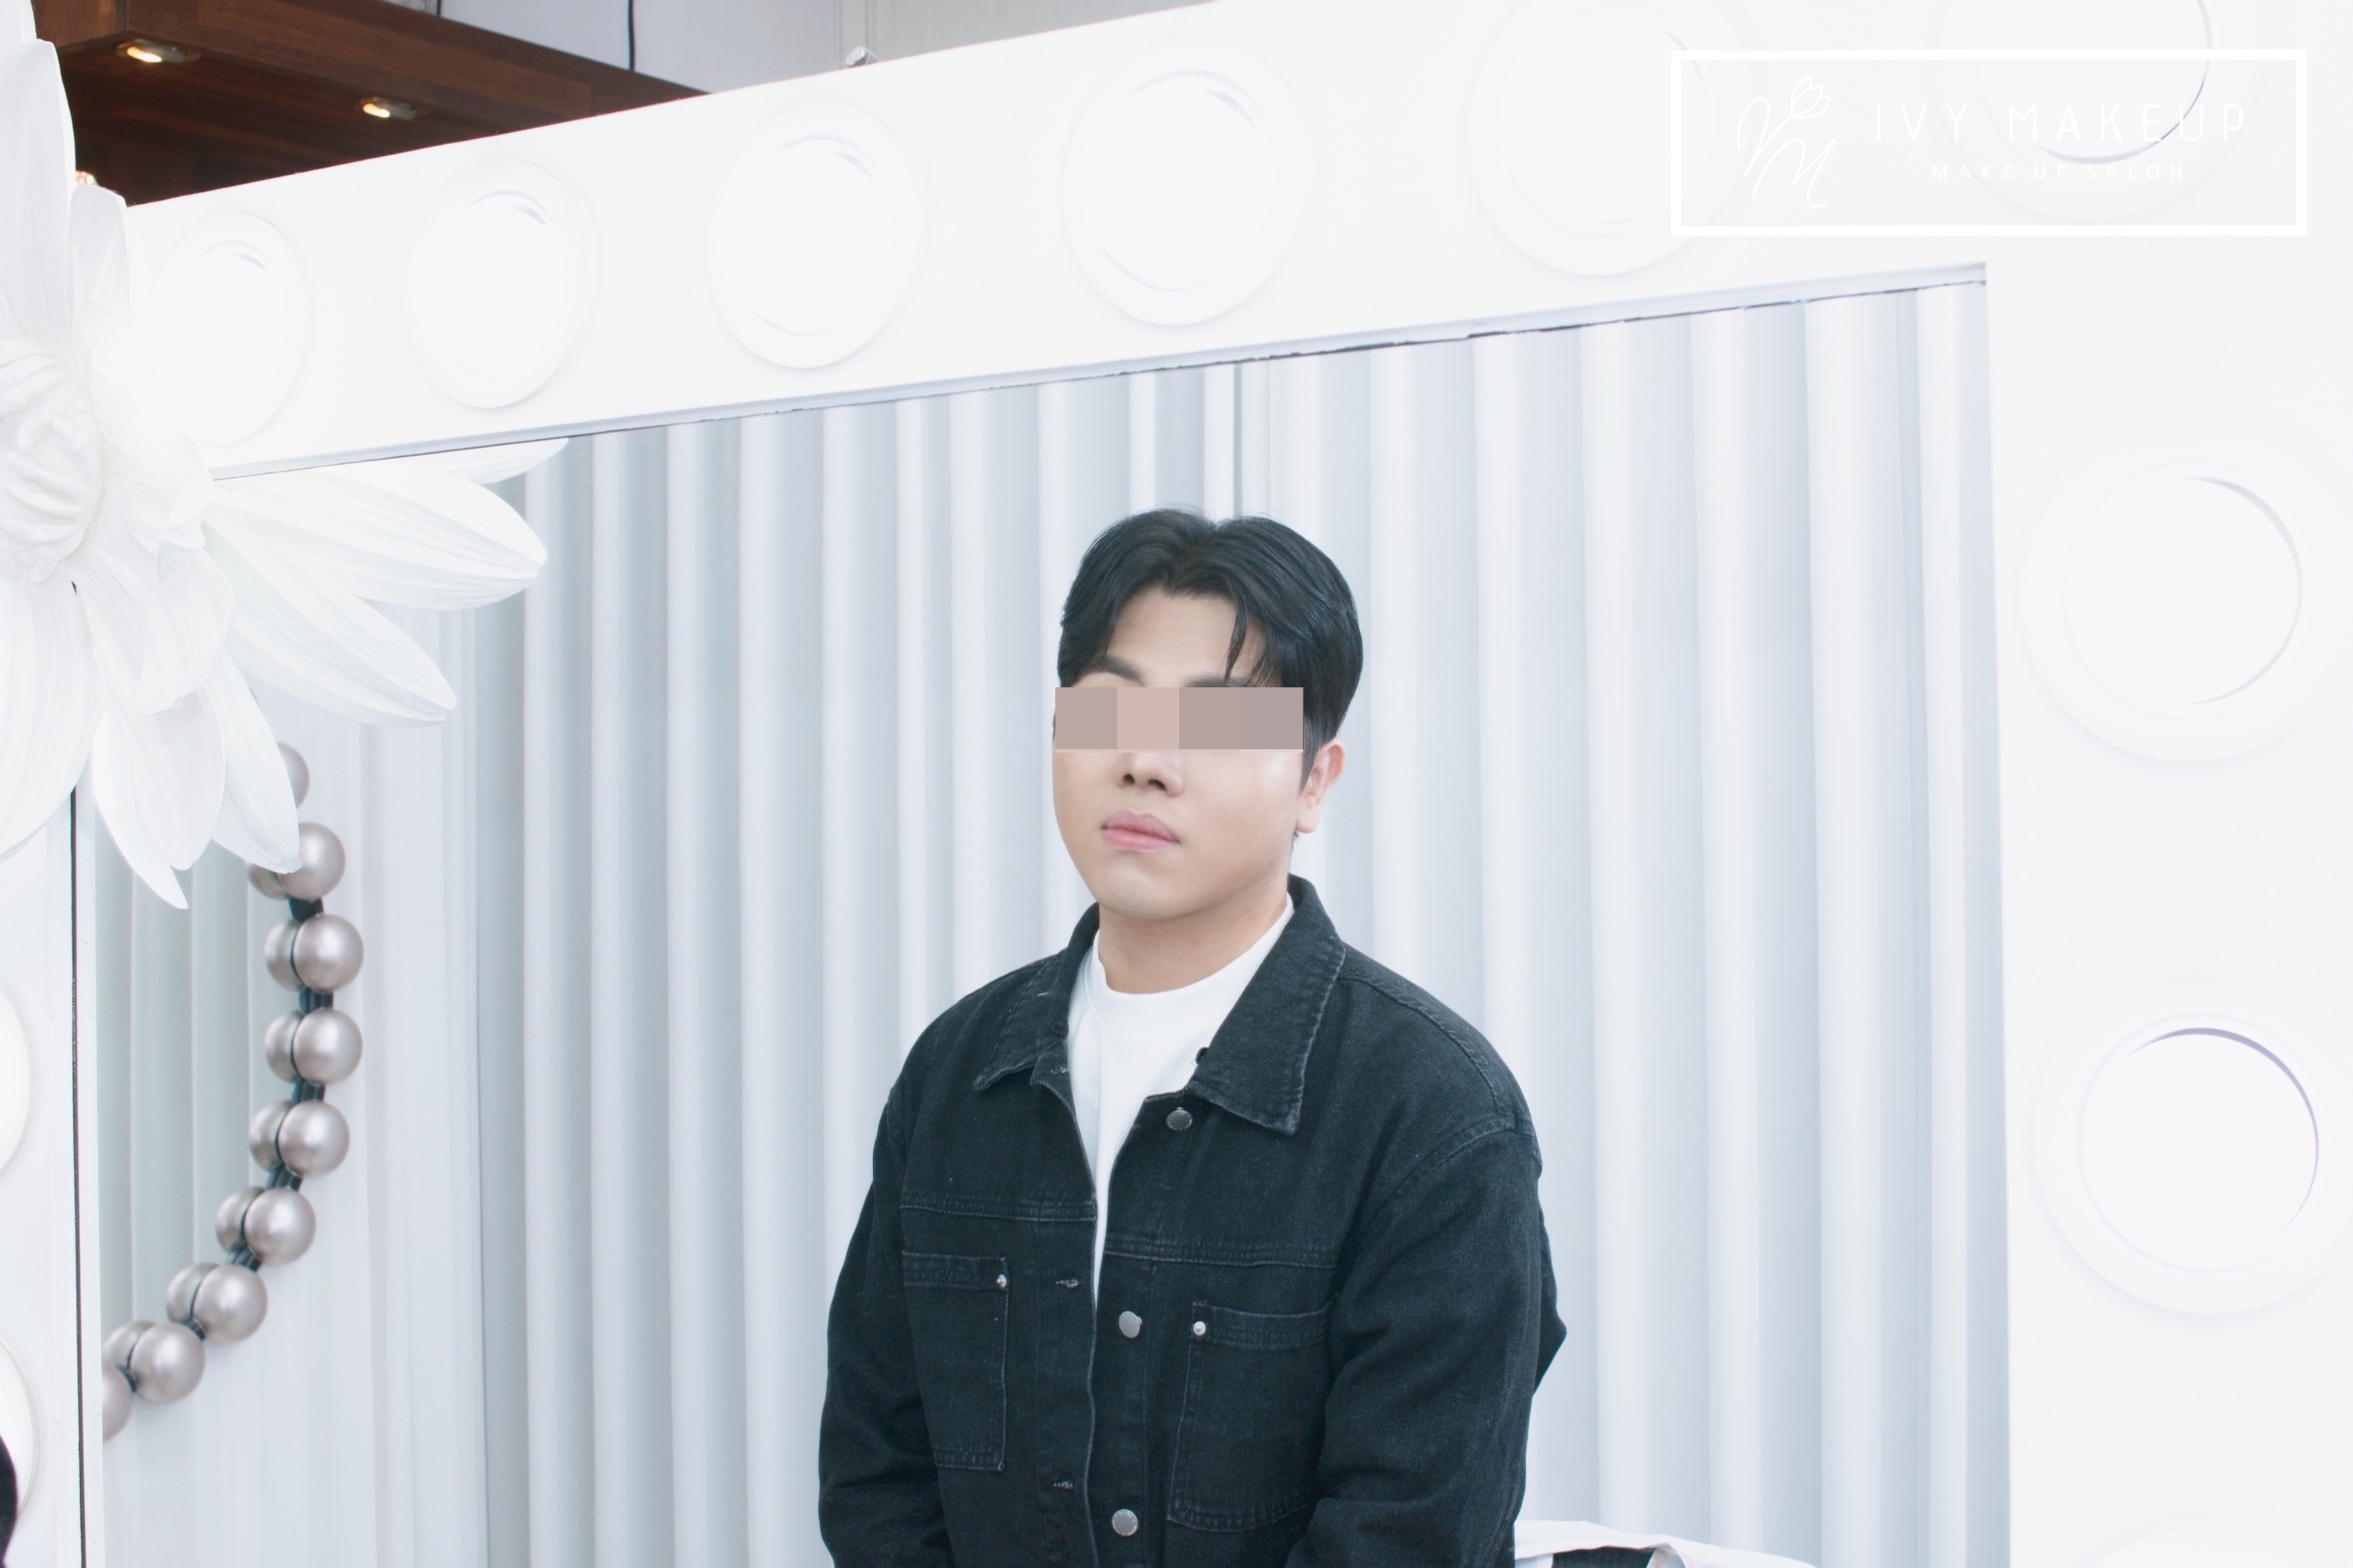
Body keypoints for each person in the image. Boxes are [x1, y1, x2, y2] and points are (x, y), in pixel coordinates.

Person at [820, 509, 1564, 1566]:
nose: (1145, 760)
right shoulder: (956, 1074)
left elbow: (1407, 1534)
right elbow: (877, 1482)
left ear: (1314, 781)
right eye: (1108, 707)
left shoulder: (1431, 1116)